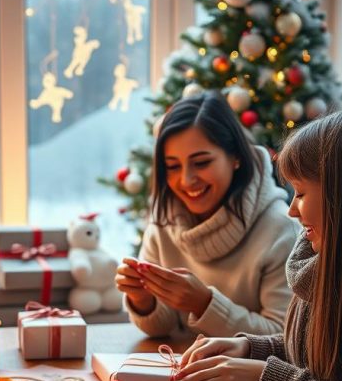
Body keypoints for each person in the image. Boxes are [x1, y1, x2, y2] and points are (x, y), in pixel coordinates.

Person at [176, 110, 342, 381]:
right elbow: (310, 352)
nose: (292, 209)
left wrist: (265, 378)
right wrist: (250, 349)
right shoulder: (317, 262)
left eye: (301, 193)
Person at [116, 92, 297, 342]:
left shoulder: (280, 229)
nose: (186, 180)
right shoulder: (164, 221)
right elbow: (161, 328)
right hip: (176, 371)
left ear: (235, 158)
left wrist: (205, 305)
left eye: (201, 163)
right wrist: (143, 300)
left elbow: (285, 338)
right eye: (172, 166)